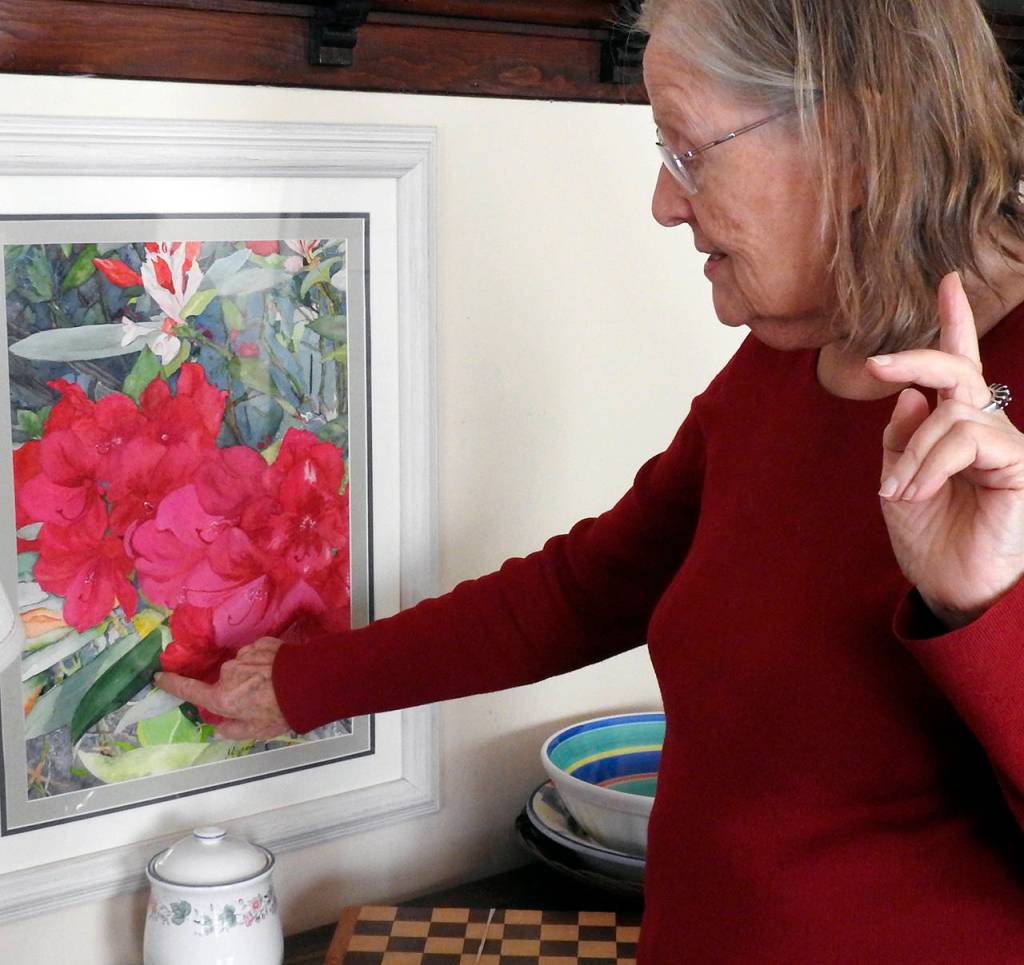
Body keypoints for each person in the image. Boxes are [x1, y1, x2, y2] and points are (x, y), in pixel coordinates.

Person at [156, 0, 1024, 960]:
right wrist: (308, 682)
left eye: (690, 149)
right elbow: (588, 589)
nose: (664, 199)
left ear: (856, 143)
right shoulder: (799, 345)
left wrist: (981, 605)